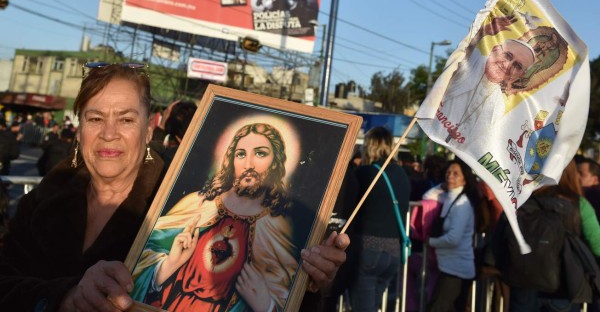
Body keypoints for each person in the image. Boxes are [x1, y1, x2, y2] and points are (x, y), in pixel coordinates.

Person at [0, 63, 349, 311]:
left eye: (125, 119)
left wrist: (309, 283)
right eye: (95, 118)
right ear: (79, 127)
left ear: (149, 129)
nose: (109, 133)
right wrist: (65, 297)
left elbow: (248, 290)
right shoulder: (47, 198)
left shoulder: (177, 196)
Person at [133, 122, 300, 311]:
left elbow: (289, 292)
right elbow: (139, 261)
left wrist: (265, 304)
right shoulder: (196, 204)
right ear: (231, 160)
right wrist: (168, 265)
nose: (248, 164)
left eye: (260, 153)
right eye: (241, 154)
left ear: (276, 162)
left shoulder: (277, 226)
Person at [506, 159, 600, 312]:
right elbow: (597, 246)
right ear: (571, 175)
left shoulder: (522, 201)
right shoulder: (579, 205)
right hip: (562, 289)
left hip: (523, 286)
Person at [347, 126, 411, 312]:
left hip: (367, 249)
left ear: (369, 145)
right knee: (372, 306)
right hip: (393, 252)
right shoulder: (402, 174)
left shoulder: (366, 173)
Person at [440, 37, 536, 145]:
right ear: (495, 49)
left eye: (517, 66)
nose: (507, 65)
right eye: (508, 56)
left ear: (520, 75)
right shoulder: (470, 59)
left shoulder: (499, 106)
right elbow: (470, 40)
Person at [425, 159, 479, 312]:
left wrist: (431, 242)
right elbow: (427, 197)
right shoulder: (449, 197)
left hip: (457, 270)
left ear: (465, 179)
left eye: (456, 174)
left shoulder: (463, 204)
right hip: (449, 267)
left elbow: (453, 239)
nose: (450, 176)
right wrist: (442, 186)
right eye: (448, 173)